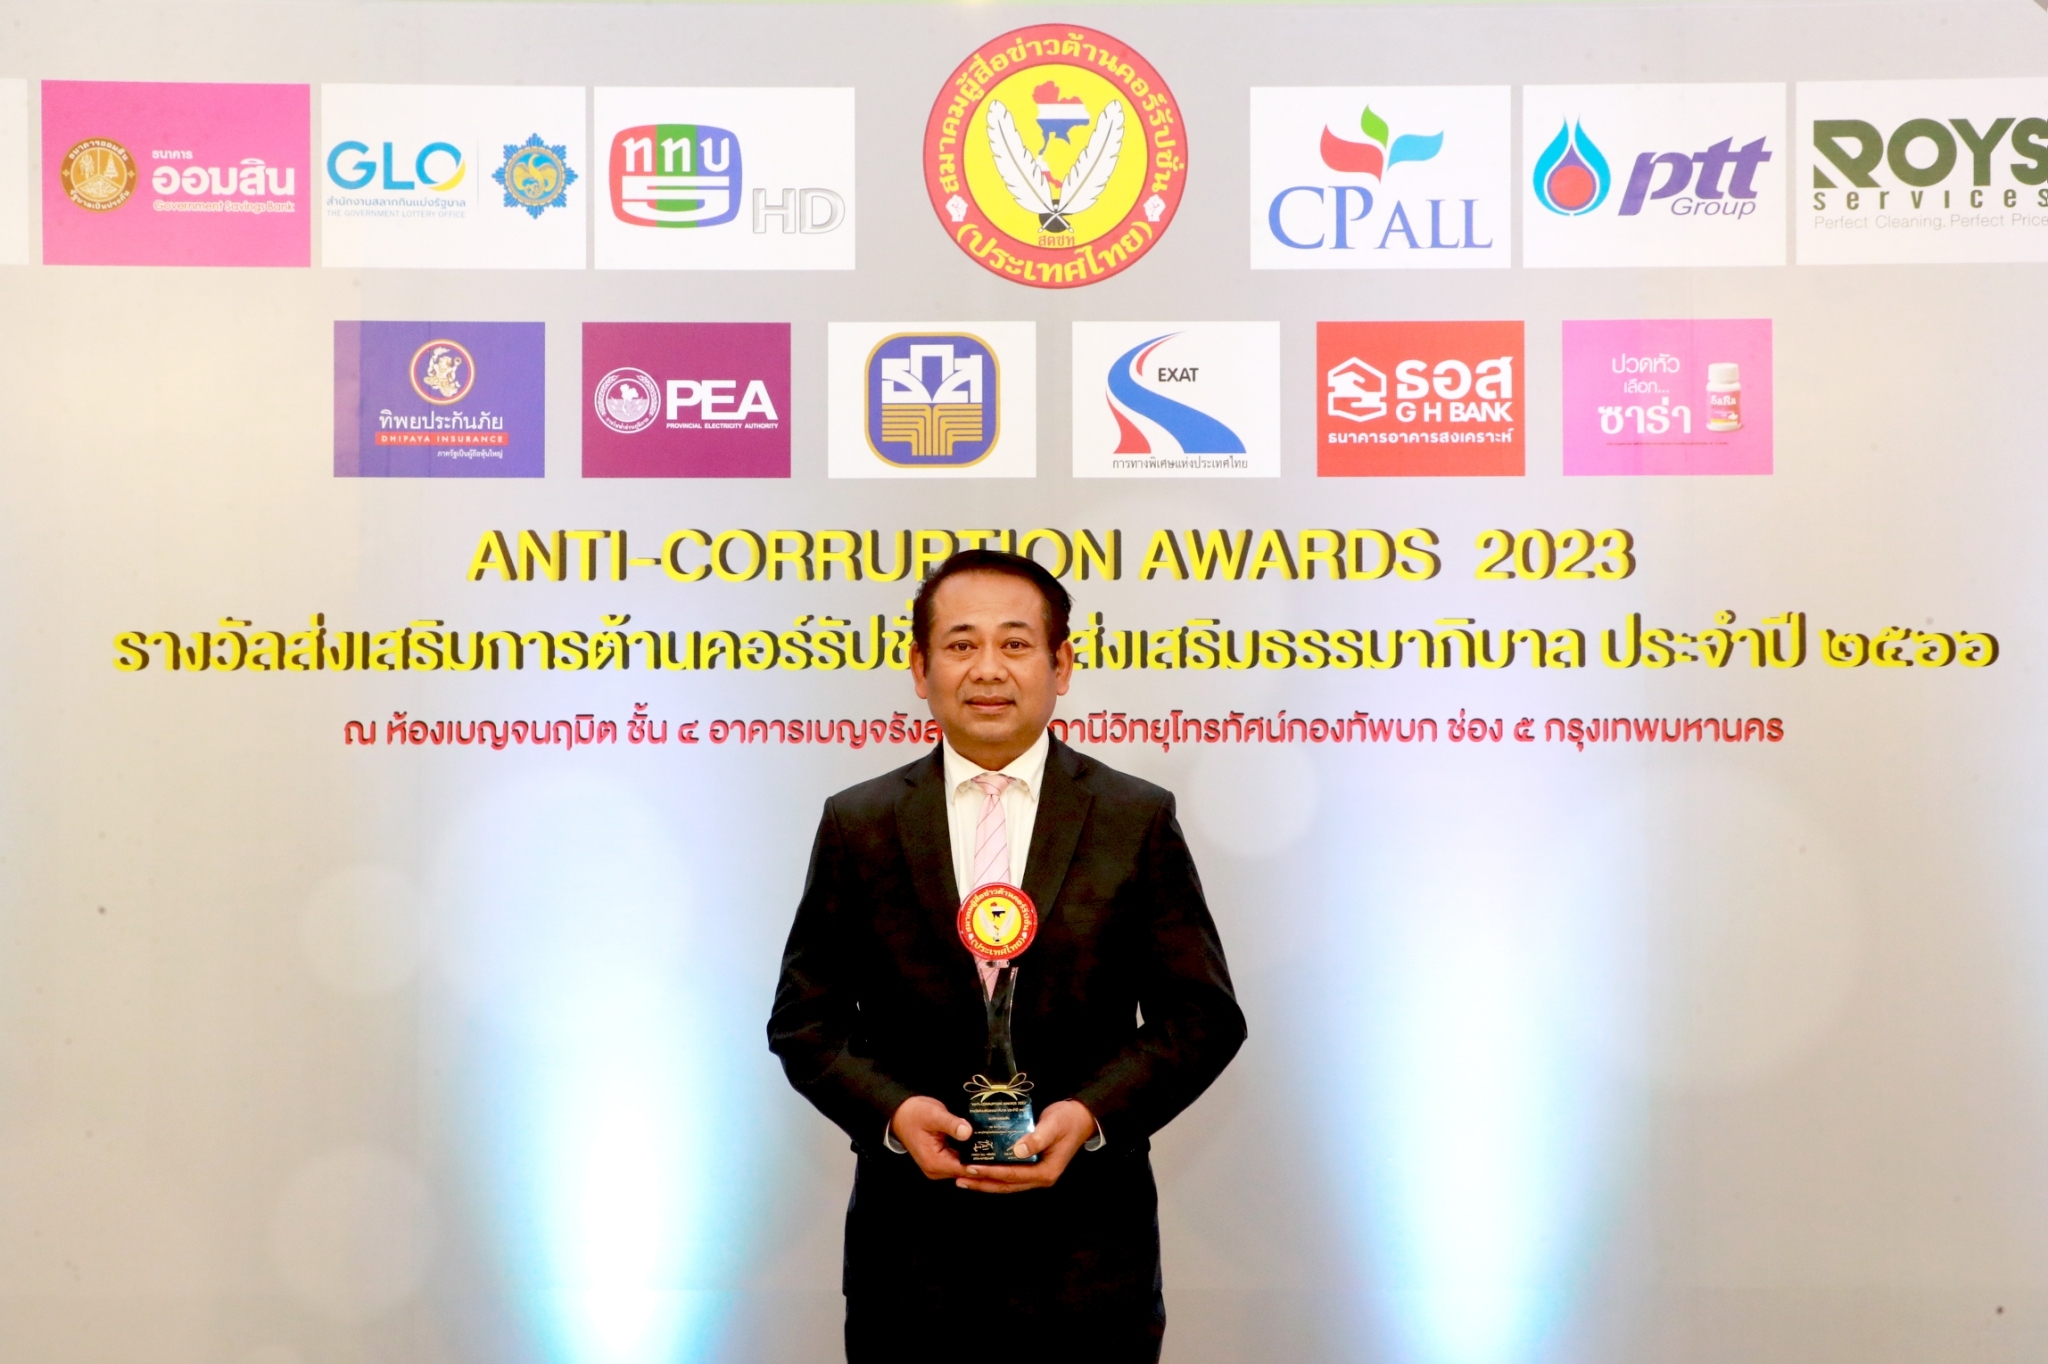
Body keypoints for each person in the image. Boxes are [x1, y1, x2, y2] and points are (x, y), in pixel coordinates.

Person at [767, 549, 1247, 1363]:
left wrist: (1088, 1116)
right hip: (910, 1265)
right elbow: (805, 1023)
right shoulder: (860, 823)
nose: (987, 669)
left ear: (1061, 666)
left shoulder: (1133, 817)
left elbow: (1201, 1017)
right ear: (919, 669)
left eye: (1016, 644)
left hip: (1089, 1264)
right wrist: (895, 1115)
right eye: (960, 644)